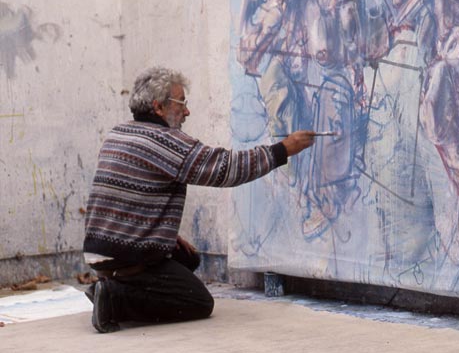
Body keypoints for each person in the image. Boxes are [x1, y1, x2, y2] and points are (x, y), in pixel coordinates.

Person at [82, 66, 315, 333]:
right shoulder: (166, 141)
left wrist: (163, 234)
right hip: (125, 254)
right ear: (159, 107)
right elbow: (225, 169)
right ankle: (115, 297)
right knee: (197, 301)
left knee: (188, 259)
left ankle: (107, 287)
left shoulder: (118, 133)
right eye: (181, 103)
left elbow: (127, 199)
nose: (187, 112)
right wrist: (282, 150)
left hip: (102, 250)